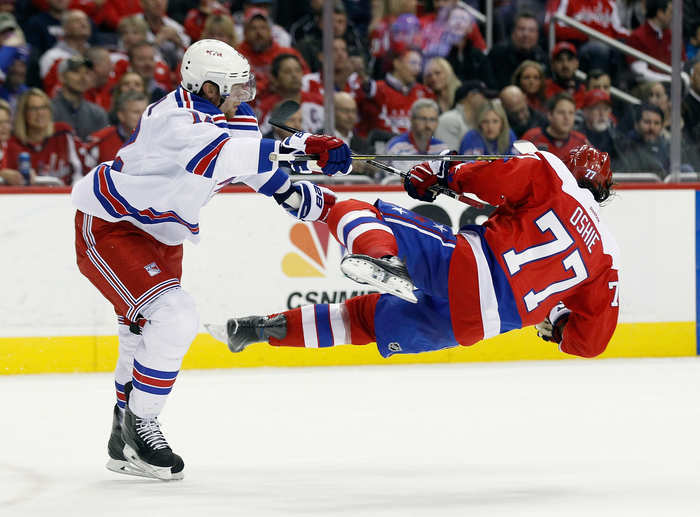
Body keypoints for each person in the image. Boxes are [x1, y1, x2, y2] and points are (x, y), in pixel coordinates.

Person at [70, 39, 352, 481]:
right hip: (112, 227)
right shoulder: (172, 117)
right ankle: (141, 424)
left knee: (141, 336)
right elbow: (219, 157)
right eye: (237, 88)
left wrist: (315, 201)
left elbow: (252, 166)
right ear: (208, 85)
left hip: (162, 233)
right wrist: (300, 145)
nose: (246, 98)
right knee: (176, 316)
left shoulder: (231, 114)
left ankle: (122, 442)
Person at [207, 144, 620, 363]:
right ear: (603, 195)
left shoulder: (553, 172)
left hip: (472, 269)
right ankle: (263, 330)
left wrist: (444, 175)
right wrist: (560, 325)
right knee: (367, 322)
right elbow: (591, 341)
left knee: (358, 212)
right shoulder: (605, 256)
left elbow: (498, 178)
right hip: (482, 325)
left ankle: (384, 259)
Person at [2, 88, 84, 185]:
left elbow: (81, 169)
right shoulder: (12, 144)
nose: (40, 113)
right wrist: (4, 174)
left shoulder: (63, 133)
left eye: (43, 107)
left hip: (67, 196)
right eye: (33, 109)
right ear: (23, 113)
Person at [50, 55, 110, 141]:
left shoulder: (98, 113)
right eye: (76, 72)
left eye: (86, 73)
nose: (83, 77)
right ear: (61, 77)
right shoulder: (48, 110)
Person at [488, 11, 548, 90]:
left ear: (537, 35)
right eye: (521, 29)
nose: (526, 34)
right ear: (513, 32)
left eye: (531, 30)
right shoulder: (497, 54)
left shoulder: (542, 58)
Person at [85, 91, 148, 166]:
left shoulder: (158, 138)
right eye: (136, 112)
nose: (143, 116)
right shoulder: (101, 142)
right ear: (121, 115)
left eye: (146, 111)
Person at [521, 92, 589, 162]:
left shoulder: (582, 142)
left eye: (571, 113)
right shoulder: (531, 137)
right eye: (561, 112)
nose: (567, 117)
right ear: (550, 115)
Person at [384, 97, 445, 173]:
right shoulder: (397, 146)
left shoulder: (441, 147)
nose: (428, 125)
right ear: (412, 119)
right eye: (423, 119)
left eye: (432, 120)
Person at [434, 80, 490, 151]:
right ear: (471, 96)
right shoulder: (449, 119)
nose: (486, 101)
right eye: (484, 96)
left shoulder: (478, 120)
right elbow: (448, 157)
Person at [545, 42, 587, 109]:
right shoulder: (544, 88)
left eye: (569, 59)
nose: (565, 65)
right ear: (552, 64)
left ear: (576, 63)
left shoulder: (585, 91)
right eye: (560, 60)